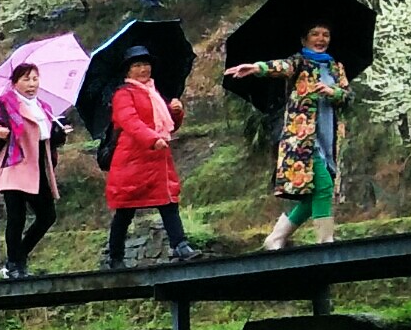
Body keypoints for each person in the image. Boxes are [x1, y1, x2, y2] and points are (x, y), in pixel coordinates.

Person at [227, 23, 352, 249]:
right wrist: (256, 68)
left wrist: (333, 92)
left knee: (312, 195)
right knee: (324, 186)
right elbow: (281, 67)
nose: (321, 39)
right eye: (315, 34)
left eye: (326, 34)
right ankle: (326, 241)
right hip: (303, 140)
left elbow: (347, 96)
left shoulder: (336, 67)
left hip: (329, 138)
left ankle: (275, 238)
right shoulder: (299, 63)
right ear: (304, 39)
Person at [102, 46, 197, 268]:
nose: (143, 69)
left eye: (145, 64)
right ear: (128, 71)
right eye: (137, 65)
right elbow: (130, 121)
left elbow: (168, 127)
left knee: (168, 201)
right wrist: (152, 139)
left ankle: (180, 245)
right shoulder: (123, 95)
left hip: (157, 159)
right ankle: (115, 257)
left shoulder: (154, 93)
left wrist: (176, 112)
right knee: (126, 209)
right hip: (132, 161)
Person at [0, 62, 63, 276]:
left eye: (35, 79)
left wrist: (59, 132)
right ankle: (14, 264)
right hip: (14, 165)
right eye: (26, 79)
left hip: (38, 165)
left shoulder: (43, 107)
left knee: (47, 216)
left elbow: (45, 134)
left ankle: (18, 257)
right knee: (16, 217)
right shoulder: (4, 104)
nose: (31, 84)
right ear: (15, 82)